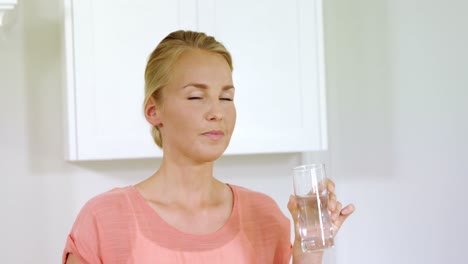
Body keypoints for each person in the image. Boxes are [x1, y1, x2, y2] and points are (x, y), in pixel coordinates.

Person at [63, 30, 355, 264]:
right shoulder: (104, 220)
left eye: (226, 98)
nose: (217, 112)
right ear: (154, 111)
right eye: (195, 97)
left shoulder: (265, 217)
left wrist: (308, 253)